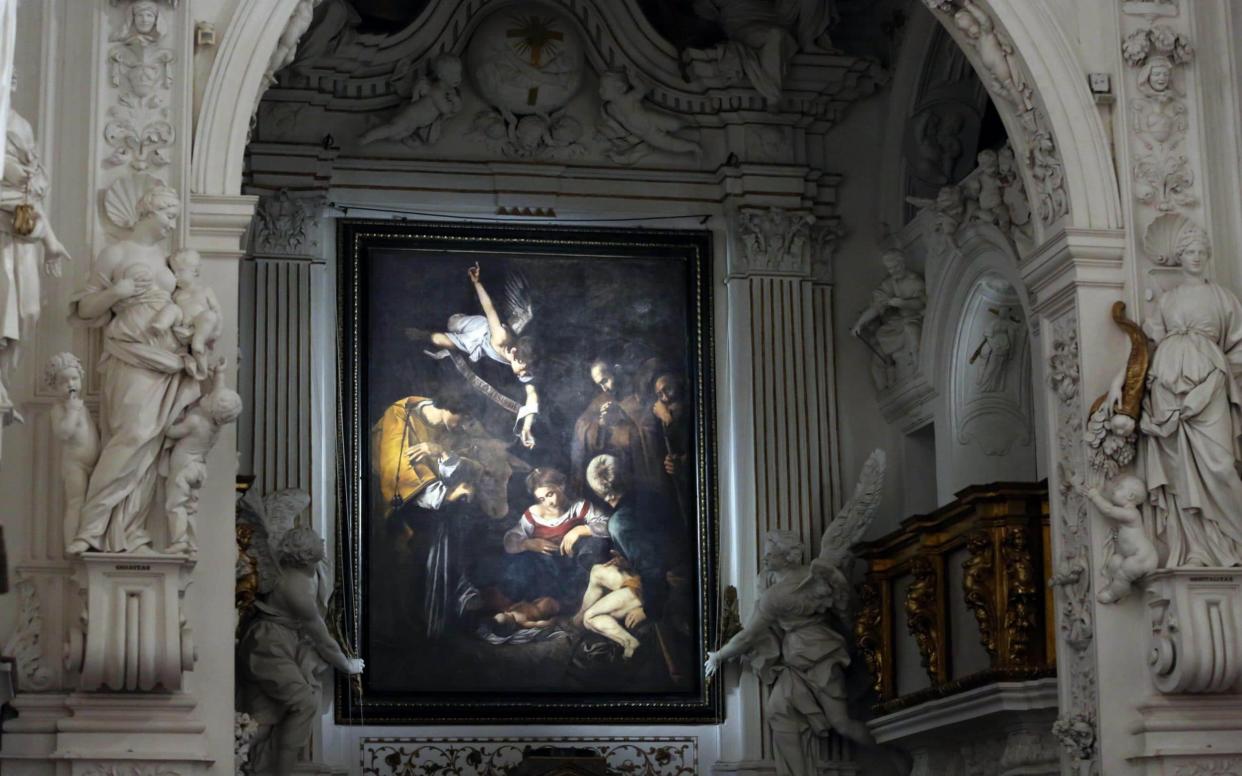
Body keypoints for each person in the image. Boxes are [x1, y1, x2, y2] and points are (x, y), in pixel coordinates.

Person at [68, 184, 199, 555]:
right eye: (168, 215)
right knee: (132, 435)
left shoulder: (165, 259)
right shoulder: (117, 253)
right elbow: (85, 309)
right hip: (130, 354)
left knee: (150, 447)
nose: (172, 224)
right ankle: (91, 526)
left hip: (166, 359)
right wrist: (117, 292)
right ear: (148, 212)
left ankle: (129, 533)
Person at [1108, 225, 1242, 567]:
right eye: (1190, 252)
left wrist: (1223, 382)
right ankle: (1198, 548)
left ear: (1207, 256)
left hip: (1209, 385)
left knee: (1223, 464)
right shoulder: (1167, 300)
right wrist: (1118, 384)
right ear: (1180, 258)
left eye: (1200, 252)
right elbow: (1143, 349)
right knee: (1180, 470)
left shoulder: (1224, 297)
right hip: (1166, 386)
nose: (1195, 258)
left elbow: (1237, 348)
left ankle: (1235, 537)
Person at [240, 526, 364, 776]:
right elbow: (322, 638)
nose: (322, 541)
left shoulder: (304, 573)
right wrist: (346, 664)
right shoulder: (295, 588)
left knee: (268, 714)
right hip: (269, 645)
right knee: (303, 703)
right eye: (317, 543)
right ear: (307, 554)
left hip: (280, 641)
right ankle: (281, 770)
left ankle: (253, 762)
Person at [414, 263, 539, 448]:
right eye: (523, 371)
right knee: (445, 333)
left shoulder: (523, 363)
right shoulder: (502, 337)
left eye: (526, 373)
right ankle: (418, 333)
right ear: (515, 354)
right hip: (478, 331)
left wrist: (527, 427)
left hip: (480, 349)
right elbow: (489, 309)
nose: (523, 375)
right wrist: (477, 282)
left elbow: (532, 396)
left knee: (444, 341)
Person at [500, 467, 611, 604]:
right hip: (548, 569)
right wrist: (527, 544)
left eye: (550, 494)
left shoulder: (579, 507)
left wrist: (580, 530)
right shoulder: (534, 514)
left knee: (595, 545)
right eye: (541, 499)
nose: (548, 502)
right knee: (521, 565)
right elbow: (510, 539)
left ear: (561, 486)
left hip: (576, 567)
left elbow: (608, 525)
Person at [850, 250, 927, 390]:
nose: (893, 271)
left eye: (895, 267)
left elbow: (920, 303)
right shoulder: (889, 284)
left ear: (902, 263)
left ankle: (919, 369)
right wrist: (859, 324)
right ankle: (886, 383)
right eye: (890, 268)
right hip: (897, 325)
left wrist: (902, 303)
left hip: (914, 319)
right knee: (880, 342)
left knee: (912, 330)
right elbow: (876, 307)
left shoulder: (914, 280)